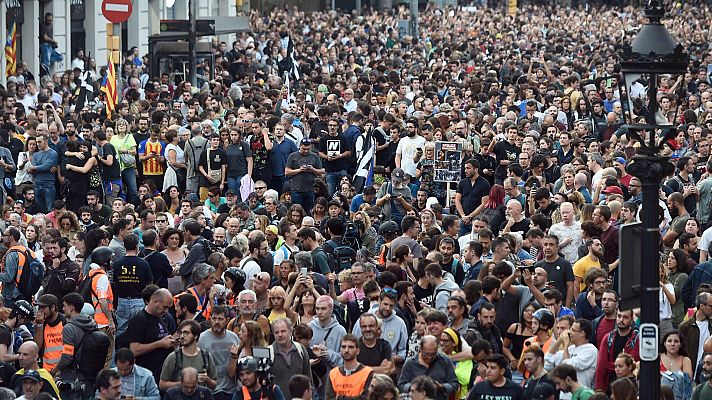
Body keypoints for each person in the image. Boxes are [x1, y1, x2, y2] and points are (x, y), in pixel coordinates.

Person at [125, 288, 178, 383]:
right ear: (155, 301)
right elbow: (134, 350)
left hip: (163, 374)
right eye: (164, 307)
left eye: (168, 308)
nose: (166, 311)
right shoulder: (139, 319)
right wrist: (160, 344)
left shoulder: (164, 318)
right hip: (146, 376)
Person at [113, 233, 154, 336]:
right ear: (136, 246)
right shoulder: (143, 264)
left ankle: (120, 350)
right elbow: (150, 285)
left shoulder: (118, 263)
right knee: (139, 330)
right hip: (138, 300)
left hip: (122, 300)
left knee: (121, 331)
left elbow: (115, 283)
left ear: (124, 246)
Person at [159, 320, 217, 391]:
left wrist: (207, 379)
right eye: (181, 333)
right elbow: (162, 384)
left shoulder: (206, 356)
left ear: (196, 335)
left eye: (186, 333)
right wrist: (184, 383)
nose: (182, 336)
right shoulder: (173, 357)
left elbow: (214, 385)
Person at [398, 335, 459, 400]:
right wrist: (415, 388)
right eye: (426, 354)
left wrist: (442, 387)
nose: (429, 357)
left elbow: (455, 383)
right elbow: (401, 385)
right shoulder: (410, 364)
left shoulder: (445, 361)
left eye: (433, 354)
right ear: (420, 349)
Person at [594, 309, 640, 392]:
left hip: (630, 386)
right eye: (619, 316)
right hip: (610, 386)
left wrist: (610, 365)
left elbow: (632, 363)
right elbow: (601, 366)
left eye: (625, 317)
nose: (621, 320)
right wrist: (599, 390)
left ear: (632, 319)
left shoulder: (637, 338)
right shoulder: (608, 338)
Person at [544, 319, 598, 389]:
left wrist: (566, 344)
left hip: (580, 394)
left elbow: (568, 367)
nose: (569, 332)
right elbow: (549, 357)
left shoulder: (590, 350)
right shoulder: (571, 348)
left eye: (573, 330)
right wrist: (560, 340)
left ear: (582, 333)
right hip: (564, 393)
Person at [268, 317, 313, 399]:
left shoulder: (301, 349)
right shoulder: (268, 352)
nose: (280, 335)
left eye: (283, 331)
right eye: (276, 332)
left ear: (291, 331)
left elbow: (308, 377)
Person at [325, 334, 374, 400]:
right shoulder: (333, 373)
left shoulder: (367, 373)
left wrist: (340, 398)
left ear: (357, 351)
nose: (346, 350)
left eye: (350, 347)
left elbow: (366, 398)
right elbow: (329, 398)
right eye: (343, 347)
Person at [0, 226, 35, 305]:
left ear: (11, 238)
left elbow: (8, 277)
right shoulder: (27, 251)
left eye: (4, 235)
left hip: (12, 296)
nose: (2, 238)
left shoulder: (12, 254)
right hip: (26, 293)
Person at [32, 294, 65, 374]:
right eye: (39, 307)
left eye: (43, 307)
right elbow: (36, 347)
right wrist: (40, 325)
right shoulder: (41, 323)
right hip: (46, 370)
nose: (40, 310)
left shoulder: (65, 322)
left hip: (62, 370)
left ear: (53, 307)